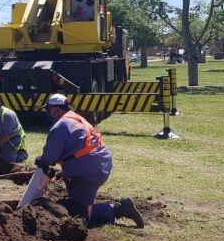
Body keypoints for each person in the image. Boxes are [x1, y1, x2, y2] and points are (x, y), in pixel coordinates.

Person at [34, 93, 144, 228]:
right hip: (98, 163)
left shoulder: (59, 126)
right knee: (75, 200)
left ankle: (118, 208)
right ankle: (84, 203)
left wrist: (42, 161)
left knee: (79, 215)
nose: (48, 113)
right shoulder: (75, 118)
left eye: (48, 109)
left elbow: (49, 158)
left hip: (88, 170)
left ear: (56, 109)